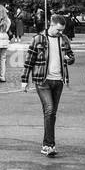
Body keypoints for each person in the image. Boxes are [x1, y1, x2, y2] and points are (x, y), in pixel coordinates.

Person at [21, 14, 75, 156]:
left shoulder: (64, 39)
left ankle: (48, 144)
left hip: (58, 81)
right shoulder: (38, 39)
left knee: (51, 113)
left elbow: (71, 56)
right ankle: (48, 145)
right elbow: (29, 60)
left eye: (62, 30)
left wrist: (69, 59)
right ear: (51, 24)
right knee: (49, 110)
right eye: (58, 29)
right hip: (42, 79)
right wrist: (24, 80)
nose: (60, 32)